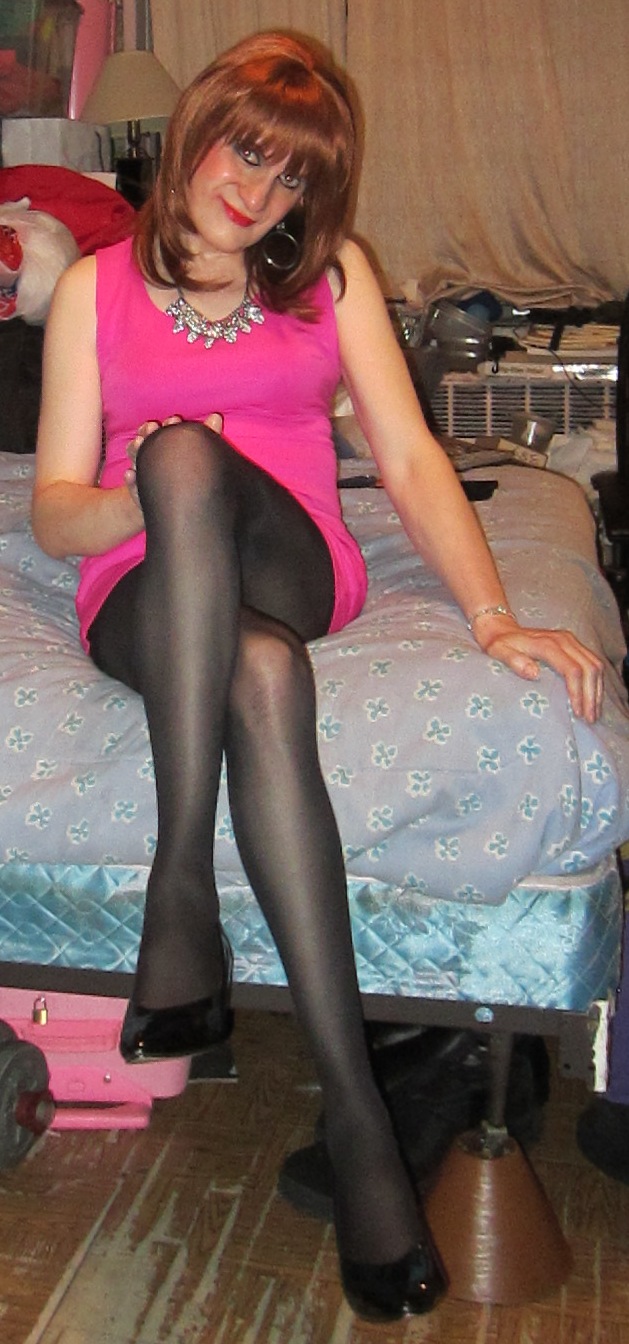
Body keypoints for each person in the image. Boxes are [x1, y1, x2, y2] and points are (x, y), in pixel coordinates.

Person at [32, 31, 605, 1323]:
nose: (260, 191)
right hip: (137, 586)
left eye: (292, 176)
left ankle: (180, 890)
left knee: (193, 459)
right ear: (195, 134)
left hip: (291, 559)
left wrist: (494, 617)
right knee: (250, 655)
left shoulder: (328, 278)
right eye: (246, 154)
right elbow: (59, 511)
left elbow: (405, 459)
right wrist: (144, 496)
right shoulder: (96, 290)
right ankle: (356, 1118)